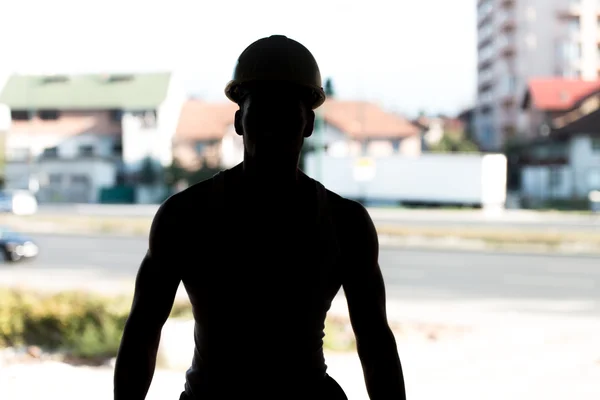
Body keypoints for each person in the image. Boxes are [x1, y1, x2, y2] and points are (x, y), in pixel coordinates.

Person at [113, 35, 406, 400]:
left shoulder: (346, 223)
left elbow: (376, 341)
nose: (272, 132)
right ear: (239, 122)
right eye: (261, 116)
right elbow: (142, 330)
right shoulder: (183, 216)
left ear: (308, 124)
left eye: (285, 118)